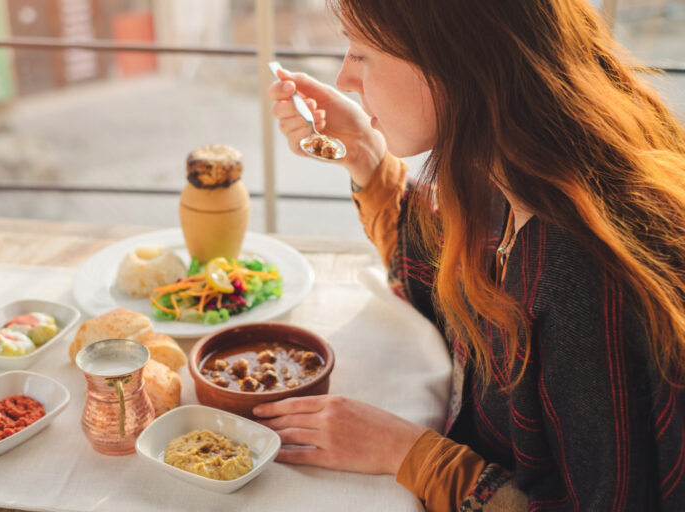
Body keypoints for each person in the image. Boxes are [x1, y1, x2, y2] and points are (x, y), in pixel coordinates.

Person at [253, 1, 685, 510]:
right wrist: (365, 154)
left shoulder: (580, 271)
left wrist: (412, 455)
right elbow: (447, 284)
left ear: (453, 60)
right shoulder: (507, 170)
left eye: (362, 52)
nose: (345, 77)